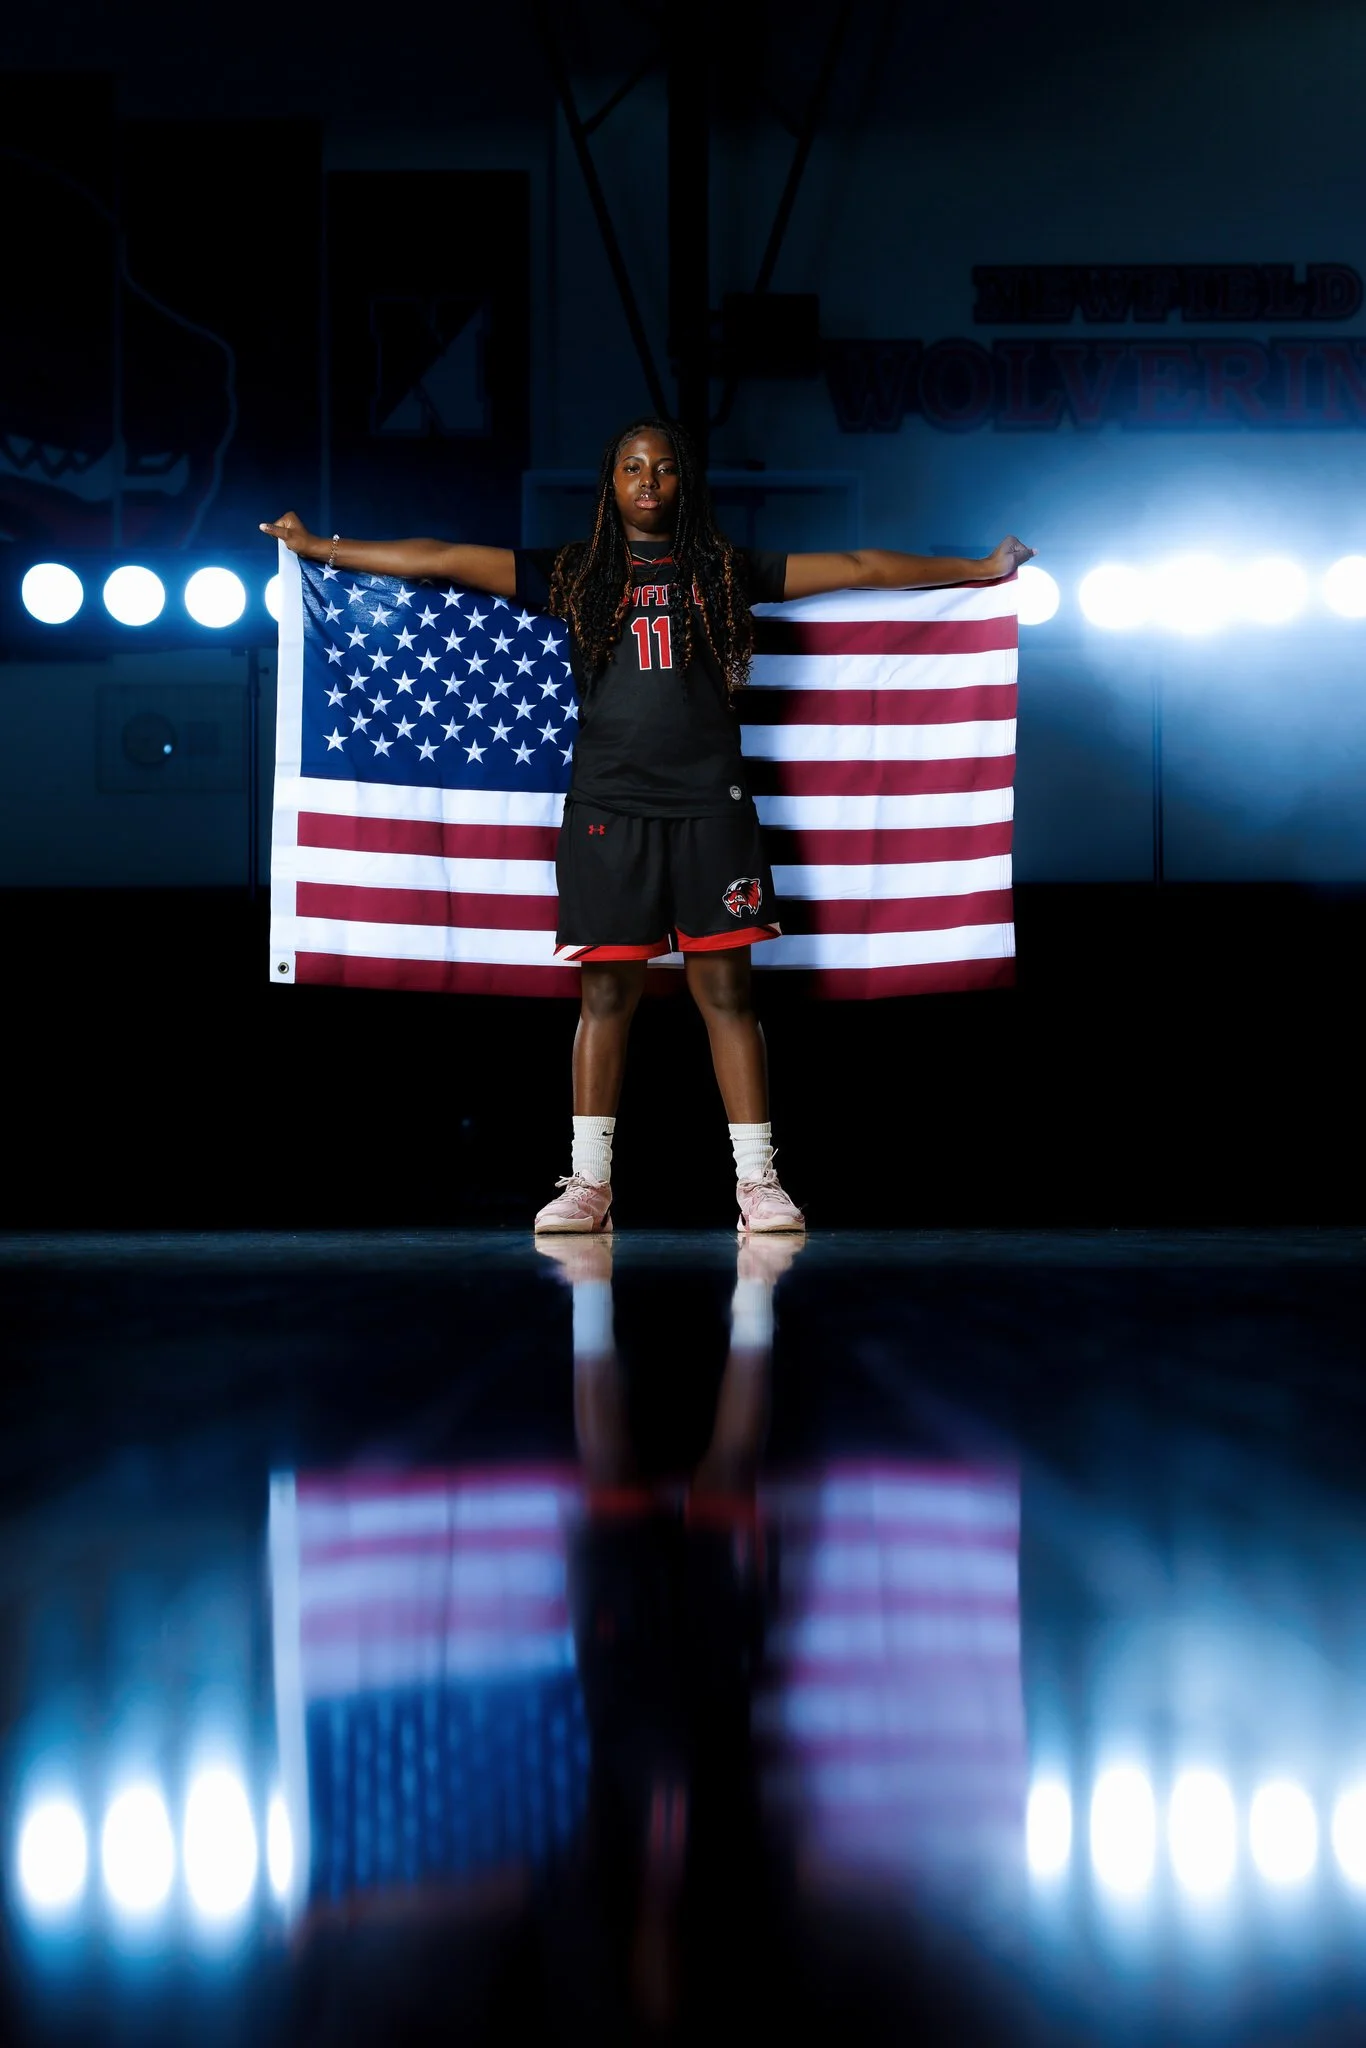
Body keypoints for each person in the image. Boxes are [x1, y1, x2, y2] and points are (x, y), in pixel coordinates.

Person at [262, 418, 1033, 1235]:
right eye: (632, 467)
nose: (648, 481)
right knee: (605, 994)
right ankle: (589, 1184)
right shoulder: (575, 571)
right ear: (612, 482)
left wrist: (978, 569)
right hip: (607, 808)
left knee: (728, 993)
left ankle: (757, 1183)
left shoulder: (725, 571)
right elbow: (444, 557)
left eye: (663, 468)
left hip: (709, 805)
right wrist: (325, 548)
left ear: (682, 483)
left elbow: (861, 566)